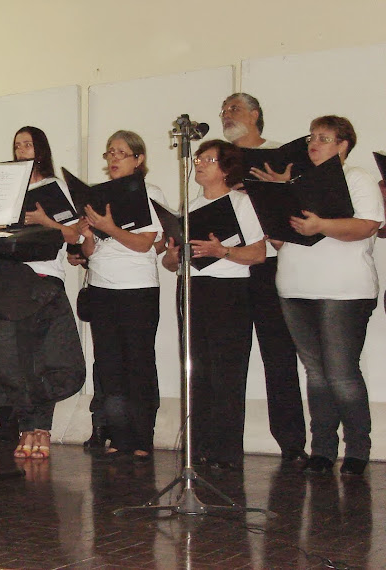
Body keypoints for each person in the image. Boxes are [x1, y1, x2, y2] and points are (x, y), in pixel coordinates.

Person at [257, 116, 383, 476]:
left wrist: (321, 226)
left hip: (342, 289)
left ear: (343, 145)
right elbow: (284, 240)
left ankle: (358, 448)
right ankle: (323, 448)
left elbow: (367, 226)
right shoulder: (294, 182)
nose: (314, 143)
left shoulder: (356, 178)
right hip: (295, 286)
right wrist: (275, 225)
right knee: (314, 373)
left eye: (324, 138)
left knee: (341, 373)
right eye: (311, 137)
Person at [162, 140, 266, 470]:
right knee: (197, 371)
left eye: (207, 159)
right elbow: (168, 261)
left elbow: (259, 254)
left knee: (227, 373)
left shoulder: (242, 203)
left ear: (225, 167)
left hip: (229, 292)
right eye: (198, 158)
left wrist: (221, 251)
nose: (199, 164)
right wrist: (173, 256)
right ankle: (199, 447)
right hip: (192, 288)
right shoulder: (187, 207)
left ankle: (227, 451)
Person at [220, 92, 307, 463]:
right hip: (231, 269)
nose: (226, 115)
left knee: (279, 356)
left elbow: (299, 211)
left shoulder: (279, 155)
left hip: (269, 263)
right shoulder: (219, 163)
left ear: (255, 114)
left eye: (234, 108)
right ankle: (224, 444)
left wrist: (268, 187)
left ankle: (292, 445)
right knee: (228, 359)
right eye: (223, 110)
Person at [76, 130, 165, 464]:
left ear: (138, 159)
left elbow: (145, 244)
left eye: (121, 153)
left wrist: (109, 227)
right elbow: (89, 251)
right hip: (102, 287)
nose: (113, 158)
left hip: (137, 289)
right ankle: (119, 434)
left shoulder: (149, 193)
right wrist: (88, 233)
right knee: (109, 365)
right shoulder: (98, 198)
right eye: (109, 152)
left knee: (138, 365)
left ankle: (143, 437)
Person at [9, 125, 80, 459]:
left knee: (45, 357)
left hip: (46, 276)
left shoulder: (56, 187)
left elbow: (74, 235)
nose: (23, 150)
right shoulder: (8, 188)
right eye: (18, 145)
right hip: (14, 279)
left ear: (41, 149)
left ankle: (42, 428)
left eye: (29, 144)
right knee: (21, 359)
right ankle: (25, 426)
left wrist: (43, 220)